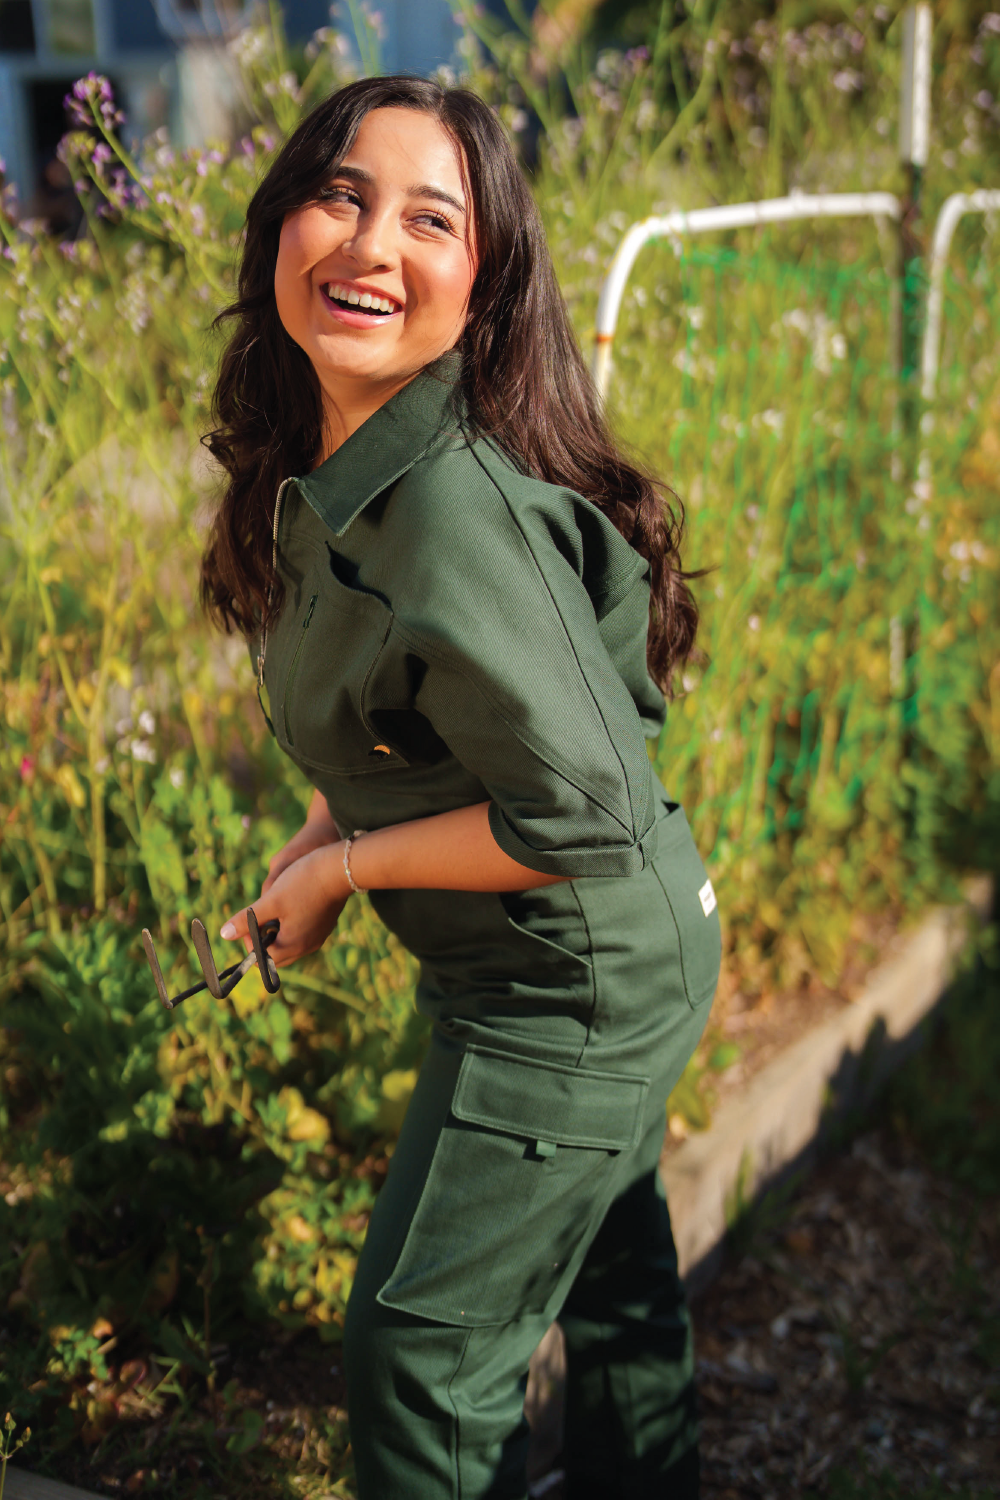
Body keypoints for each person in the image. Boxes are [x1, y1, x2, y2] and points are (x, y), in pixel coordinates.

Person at [201, 75, 721, 1500]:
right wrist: (319, 839)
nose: (371, 246)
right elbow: (411, 736)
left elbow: (587, 815)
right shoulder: (340, 466)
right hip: (585, 952)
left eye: (430, 220)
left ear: (482, 289)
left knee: (421, 1357)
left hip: (575, 983)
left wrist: (345, 872)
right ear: (282, 223)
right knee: (611, 1298)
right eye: (342, 195)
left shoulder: (445, 508)